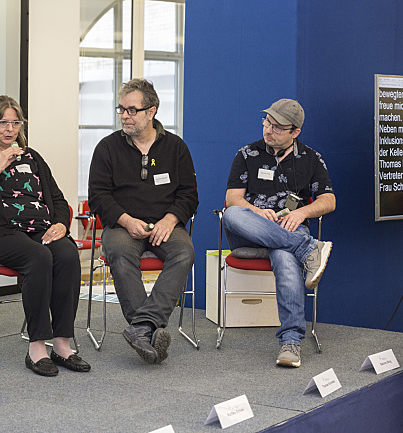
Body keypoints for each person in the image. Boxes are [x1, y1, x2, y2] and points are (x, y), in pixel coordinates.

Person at [0, 95, 90, 377]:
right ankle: (36, 347)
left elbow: (59, 201)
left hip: (36, 231)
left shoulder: (32, 156)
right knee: (38, 256)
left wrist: (61, 224)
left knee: (66, 253)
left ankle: (61, 344)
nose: (9, 128)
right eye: (2, 122)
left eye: (15, 122)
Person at [88, 78, 198, 364]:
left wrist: (171, 219)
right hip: (122, 226)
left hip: (164, 224)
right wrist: (125, 220)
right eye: (121, 109)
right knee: (120, 252)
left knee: (184, 251)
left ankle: (142, 327)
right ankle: (149, 329)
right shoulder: (107, 148)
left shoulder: (176, 148)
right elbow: (98, 196)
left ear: (152, 111)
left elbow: (189, 195)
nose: (125, 115)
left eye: (132, 110)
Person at [222, 98, 335, 368]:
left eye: (276, 127)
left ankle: (291, 342)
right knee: (232, 214)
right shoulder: (247, 154)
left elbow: (328, 201)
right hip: (249, 232)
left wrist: (302, 213)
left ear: (295, 132)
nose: (268, 130)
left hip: (287, 231)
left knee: (284, 256)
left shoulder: (310, 158)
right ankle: (308, 249)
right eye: (266, 122)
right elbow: (233, 198)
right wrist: (256, 211)